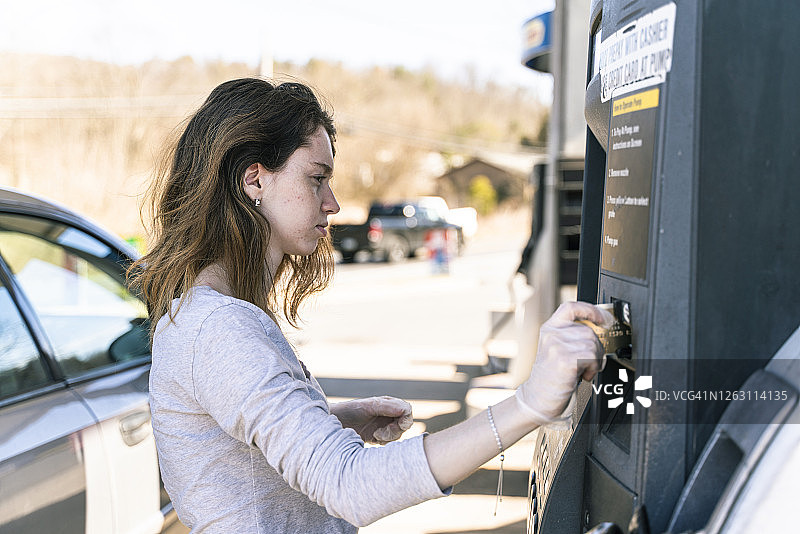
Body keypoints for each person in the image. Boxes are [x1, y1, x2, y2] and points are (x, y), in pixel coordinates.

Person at [129, 77, 613, 533]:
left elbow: (233, 453)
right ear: (254, 180)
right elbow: (348, 484)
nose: (333, 202)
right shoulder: (219, 328)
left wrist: (329, 421)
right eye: (316, 178)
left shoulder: (205, 316)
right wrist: (530, 403)